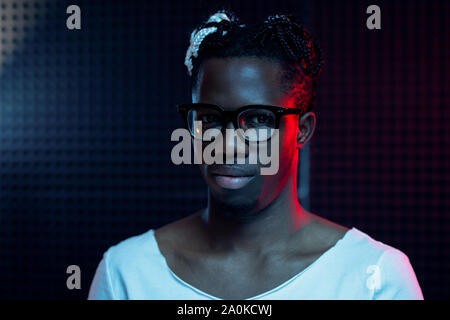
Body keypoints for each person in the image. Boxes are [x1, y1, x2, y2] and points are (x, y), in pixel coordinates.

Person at [88, 10, 423, 300]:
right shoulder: (126, 272)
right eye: (211, 118)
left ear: (302, 130)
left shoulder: (373, 277)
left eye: (259, 120)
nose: (230, 144)